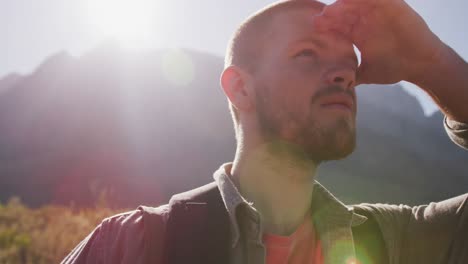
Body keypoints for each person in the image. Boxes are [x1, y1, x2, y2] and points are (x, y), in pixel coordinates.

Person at [62, 0, 468, 263]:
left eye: (348, 62)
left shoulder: (392, 243)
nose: (344, 74)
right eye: (307, 54)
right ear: (240, 87)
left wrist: (430, 62)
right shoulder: (133, 247)